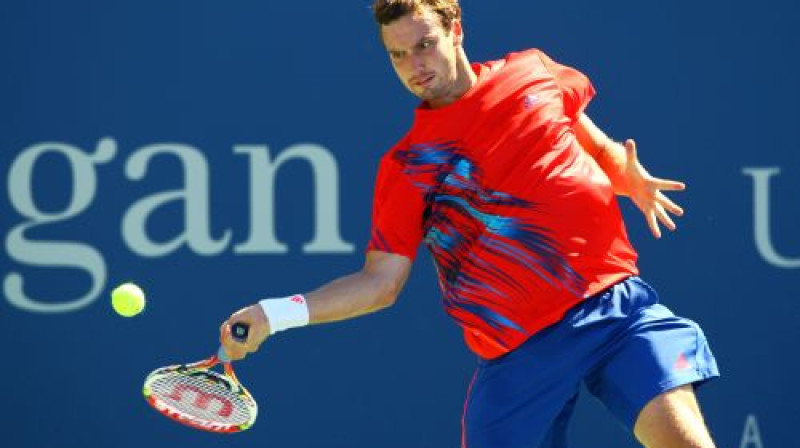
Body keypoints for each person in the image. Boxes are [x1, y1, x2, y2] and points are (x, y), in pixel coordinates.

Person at [219, 1, 720, 446]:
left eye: (424, 45)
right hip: (517, 353)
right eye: (398, 56)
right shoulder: (408, 165)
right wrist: (273, 314)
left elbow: (592, 142)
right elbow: (380, 283)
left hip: (612, 308)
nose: (415, 67)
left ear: (455, 28)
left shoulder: (534, 72)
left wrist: (625, 176)